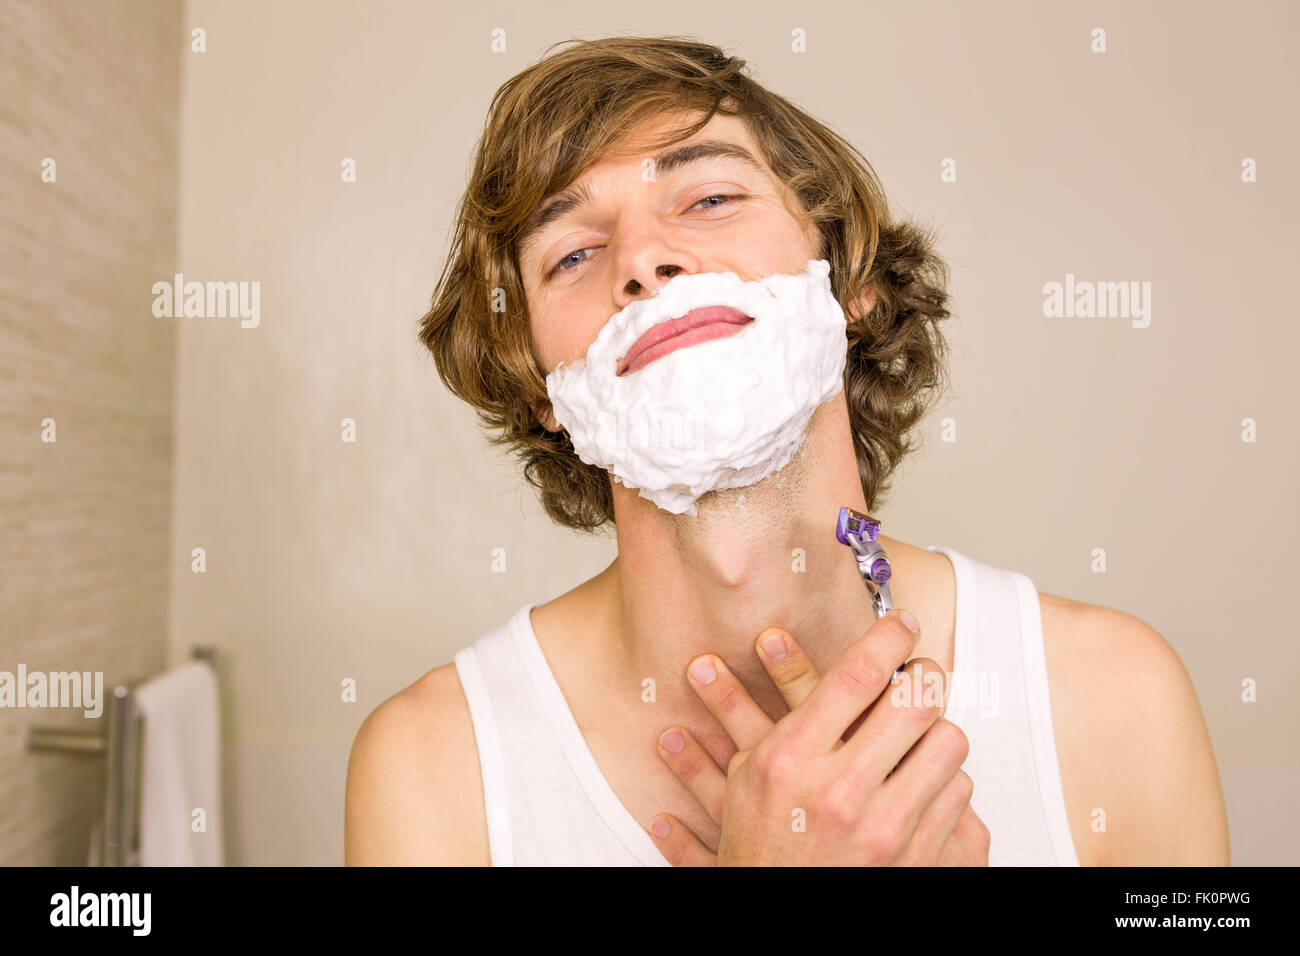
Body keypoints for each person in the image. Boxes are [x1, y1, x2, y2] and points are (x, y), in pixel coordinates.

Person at [344, 36, 1229, 866]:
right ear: (543, 392)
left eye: (711, 199)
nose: (645, 258)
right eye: (574, 253)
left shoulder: (1114, 698)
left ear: (850, 283)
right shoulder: (437, 768)